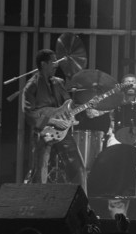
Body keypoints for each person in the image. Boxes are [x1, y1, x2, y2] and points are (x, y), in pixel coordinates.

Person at [22, 49, 87, 193]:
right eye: (53, 61)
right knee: (40, 170)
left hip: (63, 131)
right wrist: (52, 121)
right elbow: (29, 114)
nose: (56, 64)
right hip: (43, 133)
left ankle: (83, 206)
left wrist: (79, 111)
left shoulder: (58, 82)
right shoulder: (31, 86)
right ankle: (38, 207)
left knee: (79, 168)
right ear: (44, 64)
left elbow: (68, 104)